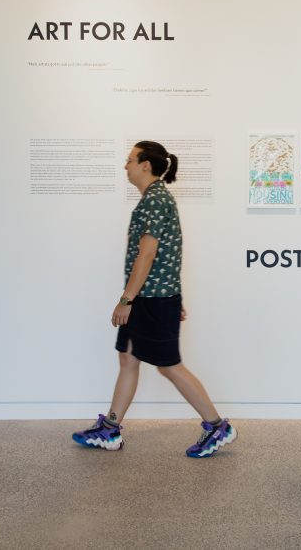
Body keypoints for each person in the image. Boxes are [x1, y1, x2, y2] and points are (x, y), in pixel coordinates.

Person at [73, 141, 236, 457]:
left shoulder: (155, 201)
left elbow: (147, 254)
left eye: (130, 160)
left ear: (145, 165)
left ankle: (217, 426)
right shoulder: (156, 199)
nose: (126, 166)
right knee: (129, 357)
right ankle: (110, 428)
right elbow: (169, 252)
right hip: (155, 296)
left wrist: (126, 299)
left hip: (152, 299)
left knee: (169, 366)